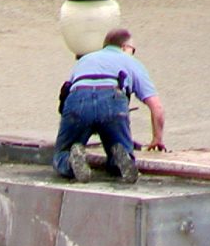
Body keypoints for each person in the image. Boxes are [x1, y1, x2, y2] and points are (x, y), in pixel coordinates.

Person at [53, 28, 166, 185]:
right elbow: (157, 107)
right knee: (119, 150)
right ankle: (120, 159)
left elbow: (66, 94)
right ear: (125, 47)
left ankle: (71, 161)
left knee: (62, 153)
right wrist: (157, 139)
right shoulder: (132, 62)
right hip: (112, 99)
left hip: (78, 98)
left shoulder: (85, 60)